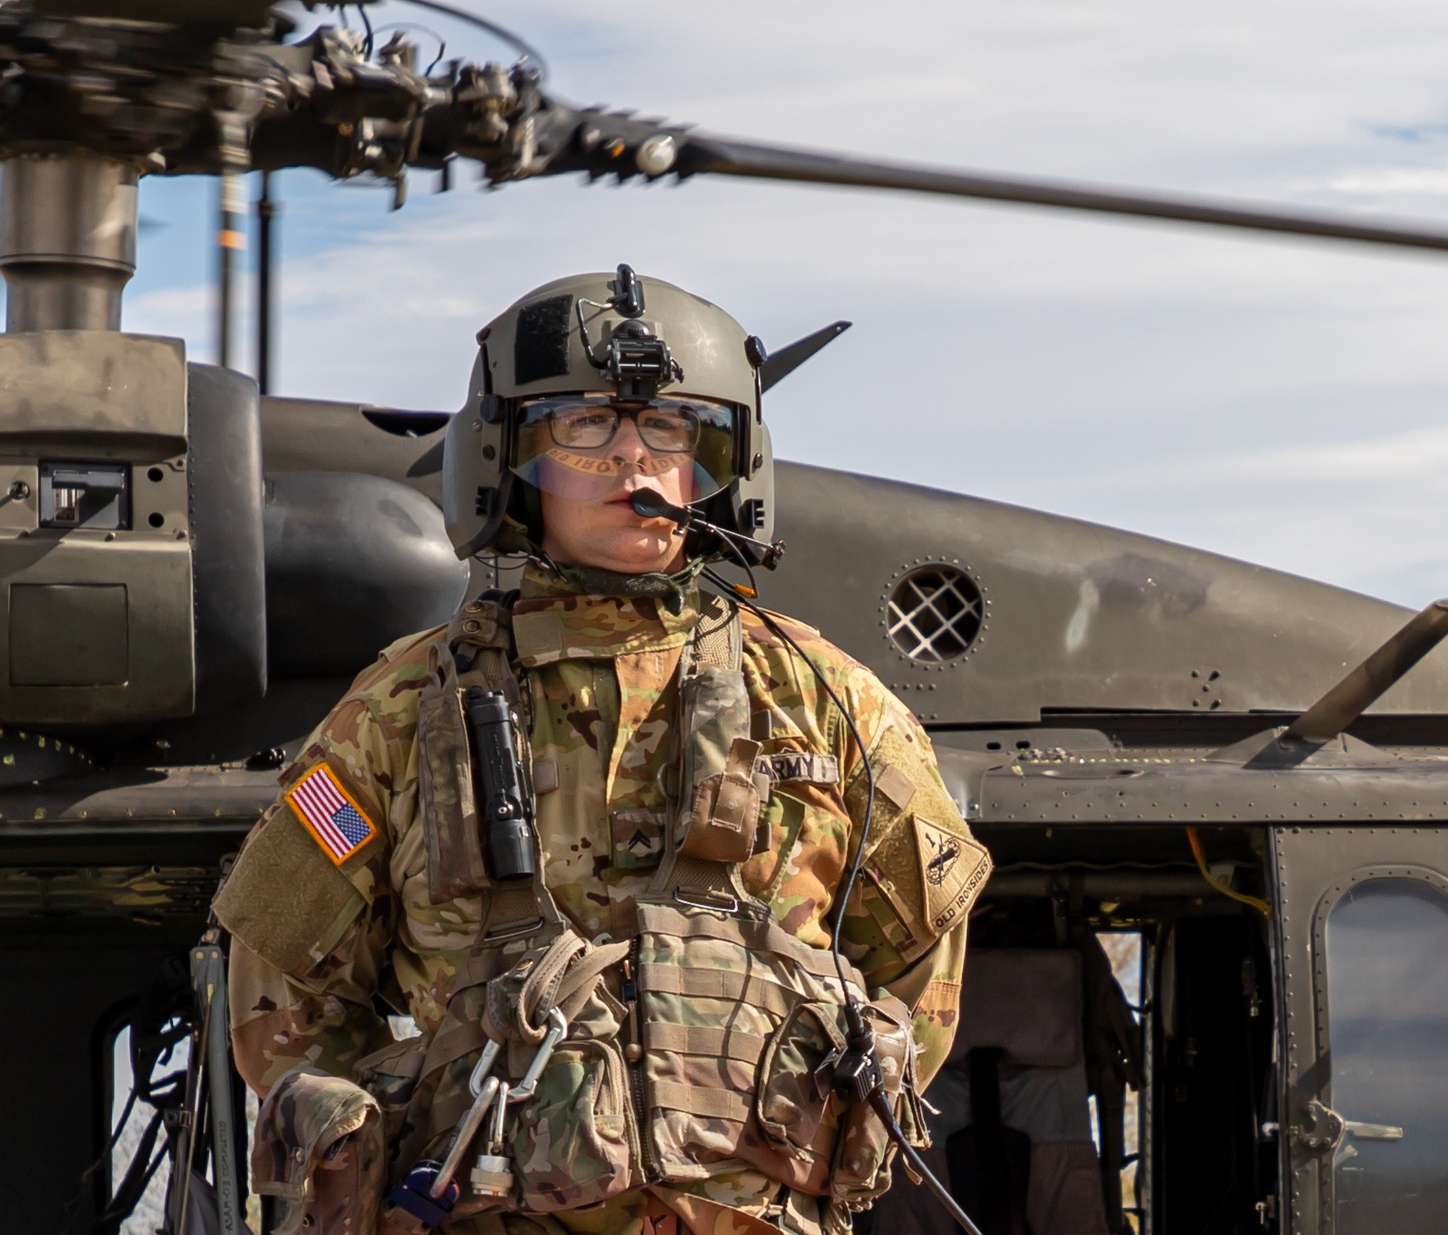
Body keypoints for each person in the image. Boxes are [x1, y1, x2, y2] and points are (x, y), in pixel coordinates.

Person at [213, 268, 989, 1235]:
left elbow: (923, 967)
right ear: (509, 457)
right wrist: (369, 1132)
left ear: (721, 463)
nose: (634, 458)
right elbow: (282, 985)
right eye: (585, 425)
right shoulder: (402, 711)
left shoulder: (829, 701)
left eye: (669, 428)